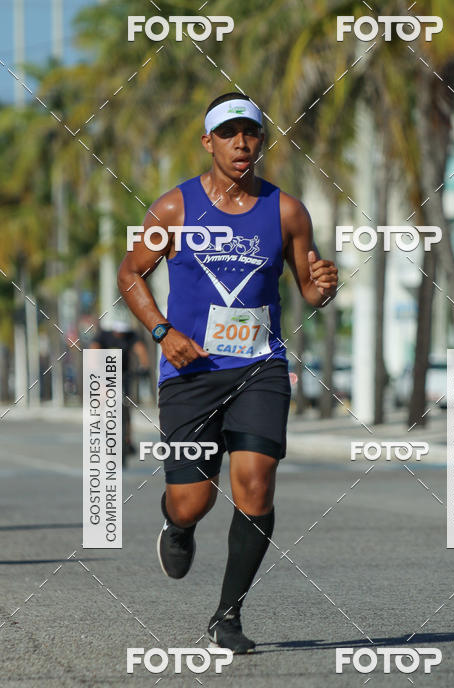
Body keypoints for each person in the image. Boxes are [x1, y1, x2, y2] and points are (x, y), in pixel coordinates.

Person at [117, 92, 338, 653]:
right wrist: (165, 333)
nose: (242, 144)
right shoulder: (175, 208)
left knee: (256, 484)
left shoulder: (286, 211)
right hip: (191, 371)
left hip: (259, 366)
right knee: (195, 498)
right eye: (229, 133)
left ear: (262, 141)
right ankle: (178, 525)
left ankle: (227, 616)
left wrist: (324, 287)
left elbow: (309, 290)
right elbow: (130, 274)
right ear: (207, 141)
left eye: (252, 134)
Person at [90, 318, 151, 462]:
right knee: (101, 399)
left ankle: (127, 439)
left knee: (127, 406)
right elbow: (94, 350)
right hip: (104, 374)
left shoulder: (131, 335)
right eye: (117, 331)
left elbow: (140, 349)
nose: (120, 334)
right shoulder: (104, 336)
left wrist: (144, 366)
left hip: (124, 375)